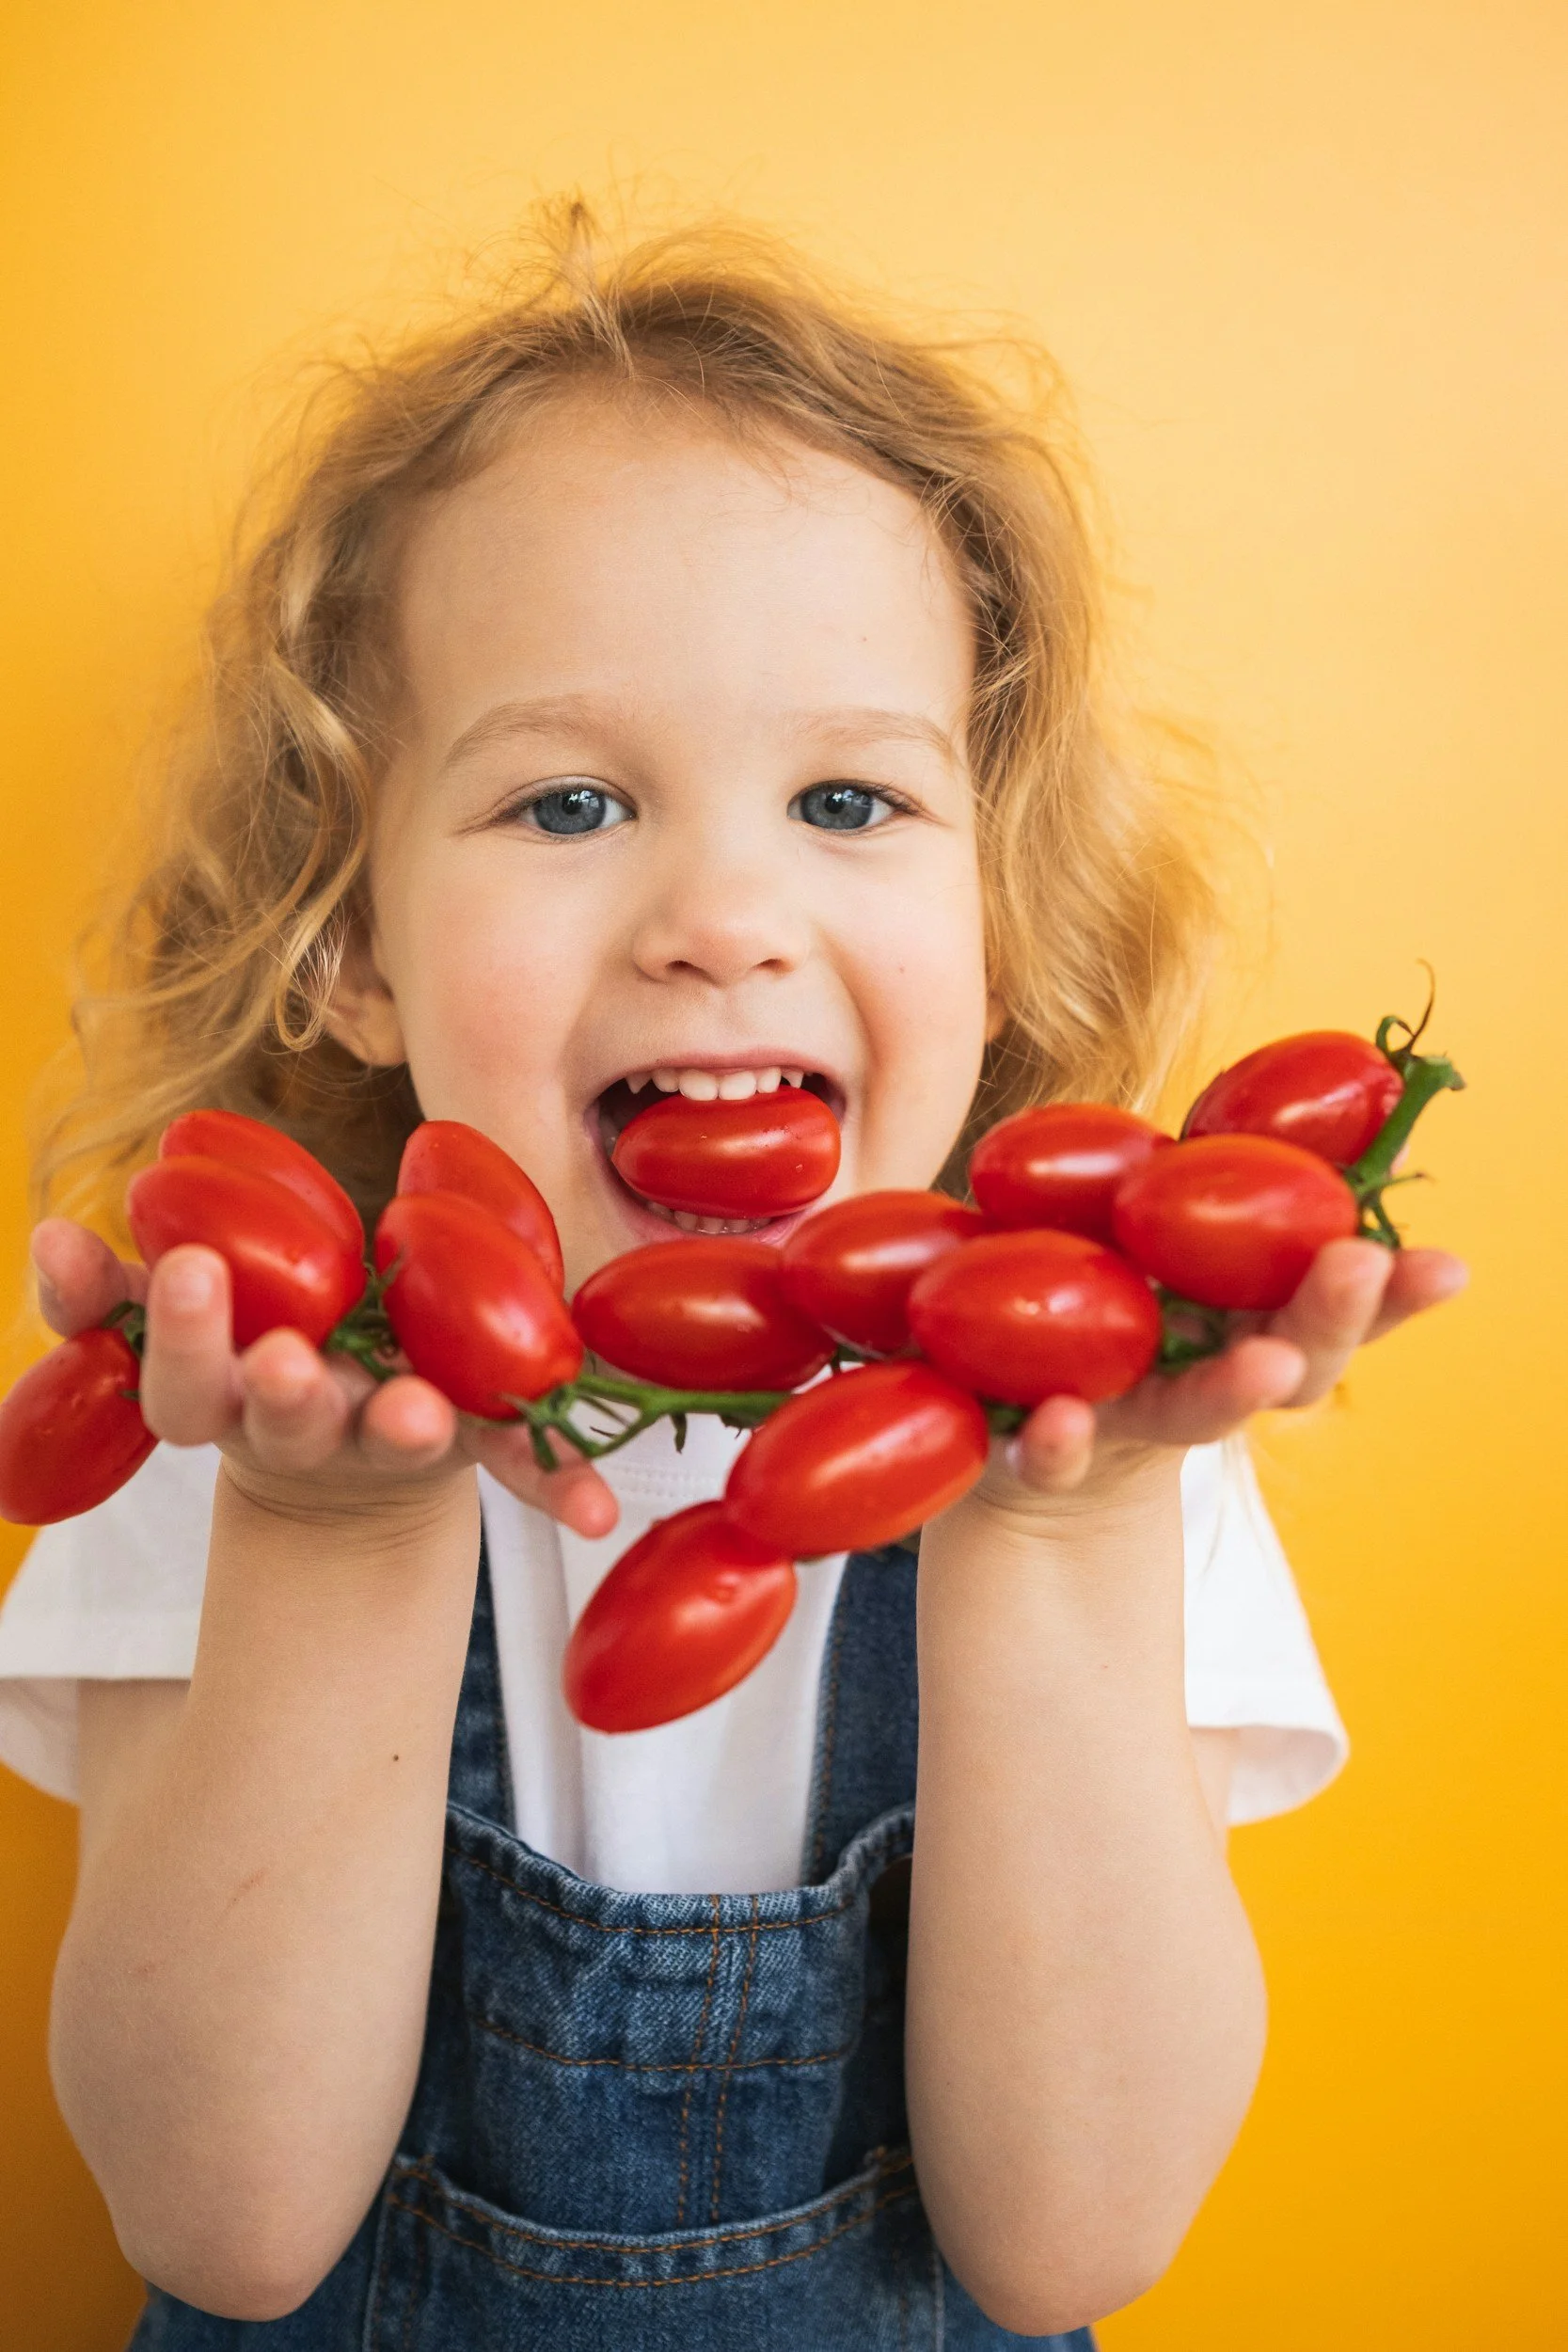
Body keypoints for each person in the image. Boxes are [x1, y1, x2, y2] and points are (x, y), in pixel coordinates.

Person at [0, 206, 1462, 2347]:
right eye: (572, 797)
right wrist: (329, 1537)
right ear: (350, 948)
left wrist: (1059, 1530)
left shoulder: (1096, 1440)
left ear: (993, 922)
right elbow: (225, 2219)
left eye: (847, 796)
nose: (724, 909)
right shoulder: (244, 1403)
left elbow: (1068, 2238)